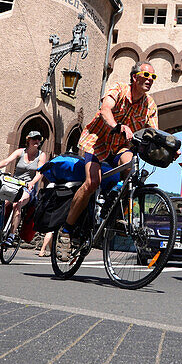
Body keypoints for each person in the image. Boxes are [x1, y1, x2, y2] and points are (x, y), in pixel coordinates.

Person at [62, 62, 160, 236]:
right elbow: (105, 109)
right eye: (146, 75)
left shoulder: (150, 105)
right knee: (92, 183)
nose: (150, 80)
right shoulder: (119, 89)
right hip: (97, 141)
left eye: (153, 77)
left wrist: (168, 148)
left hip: (120, 146)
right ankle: (66, 229)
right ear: (134, 76)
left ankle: (114, 210)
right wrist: (117, 125)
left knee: (131, 166)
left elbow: (153, 133)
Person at [0, 130, 48, 243]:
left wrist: (32, 183)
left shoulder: (41, 155)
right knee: (3, 202)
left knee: (17, 204)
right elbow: (7, 161)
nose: (37, 141)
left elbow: (40, 172)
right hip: (14, 183)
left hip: (27, 186)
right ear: (28, 140)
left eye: (39, 139)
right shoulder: (20, 152)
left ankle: (11, 235)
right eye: (34, 138)